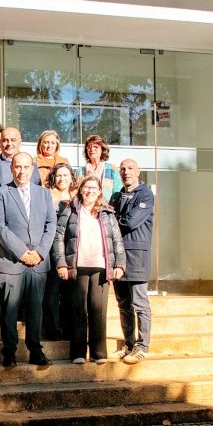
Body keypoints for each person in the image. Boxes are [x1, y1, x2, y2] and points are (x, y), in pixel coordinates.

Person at [0, 152, 57, 368]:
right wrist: (21, 252)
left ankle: (35, 350)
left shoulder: (44, 194)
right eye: (17, 167)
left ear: (33, 169)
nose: (22, 171)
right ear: (11, 169)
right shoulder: (1, 193)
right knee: (10, 309)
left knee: (35, 309)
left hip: (38, 263)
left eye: (26, 167)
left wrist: (39, 253)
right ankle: (9, 351)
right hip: (12, 261)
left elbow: (51, 226)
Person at [54, 175, 126, 365]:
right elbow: (59, 238)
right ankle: (77, 352)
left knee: (98, 309)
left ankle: (99, 353)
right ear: (81, 189)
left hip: (101, 268)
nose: (90, 191)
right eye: (87, 187)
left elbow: (117, 241)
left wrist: (119, 264)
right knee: (78, 310)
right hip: (77, 267)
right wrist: (61, 263)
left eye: (94, 188)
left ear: (100, 191)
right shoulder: (70, 210)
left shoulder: (107, 213)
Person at [110, 158, 154, 365]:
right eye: (123, 169)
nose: (126, 172)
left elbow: (131, 221)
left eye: (130, 169)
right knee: (123, 303)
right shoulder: (116, 196)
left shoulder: (145, 194)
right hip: (117, 256)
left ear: (138, 171)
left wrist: (113, 219)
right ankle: (128, 344)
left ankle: (142, 346)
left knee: (139, 302)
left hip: (136, 255)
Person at [43, 163, 78, 341]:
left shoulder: (77, 197)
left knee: (70, 291)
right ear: (53, 178)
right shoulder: (46, 196)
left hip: (72, 248)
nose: (62, 179)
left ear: (72, 178)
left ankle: (69, 328)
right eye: (58, 175)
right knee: (52, 290)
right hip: (52, 249)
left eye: (66, 175)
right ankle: (52, 327)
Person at [0, 127, 41, 196]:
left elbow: (38, 194)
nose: (9, 144)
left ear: (20, 141)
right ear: (0, 142)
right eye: (5, 140)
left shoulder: (32, 166)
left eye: (13, 140)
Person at [76, 134, 122, 202]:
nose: (92, 149)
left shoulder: (112, 169)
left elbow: (118, 193)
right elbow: (76, 192)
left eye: (95, 147)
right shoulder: (80, 171)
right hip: (85, 207)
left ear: (102, 149)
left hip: (106, 208)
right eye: (89, 147)